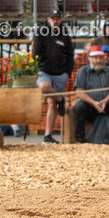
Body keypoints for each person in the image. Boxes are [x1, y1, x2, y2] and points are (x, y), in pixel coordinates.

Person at [32, 9, 73, 143]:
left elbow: (70, 54)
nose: (55, 21)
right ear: (48, 19)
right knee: (44, 86)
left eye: (57, 18)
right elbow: (35, 52)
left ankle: (47, 135)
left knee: (52, 103)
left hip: (61, 73)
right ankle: (61, 99)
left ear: (61, 20)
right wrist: (35, 68)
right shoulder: (40, 31)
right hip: (44, 71)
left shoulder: (64, 32)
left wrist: (68, 72)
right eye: (52, 18)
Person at [72, 45, 109, 143]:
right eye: (96, 58)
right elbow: (79, 91)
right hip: (88, 105)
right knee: (78, 107)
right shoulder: (82, 71)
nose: (98, 61)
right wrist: (93, 102)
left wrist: (105, 101)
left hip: (107, 104)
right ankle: (79, 139)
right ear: (90, 58)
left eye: (101, 58)